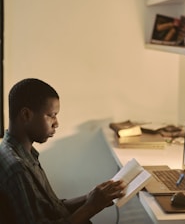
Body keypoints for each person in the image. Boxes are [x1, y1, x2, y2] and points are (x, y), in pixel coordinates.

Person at [0, 78, 125, 224]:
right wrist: (92, 206)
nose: (56, 123)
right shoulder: (18, 168)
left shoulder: (25, 154)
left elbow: (52, 208)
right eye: (51, 115)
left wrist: (90, 197)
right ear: (26, 115)